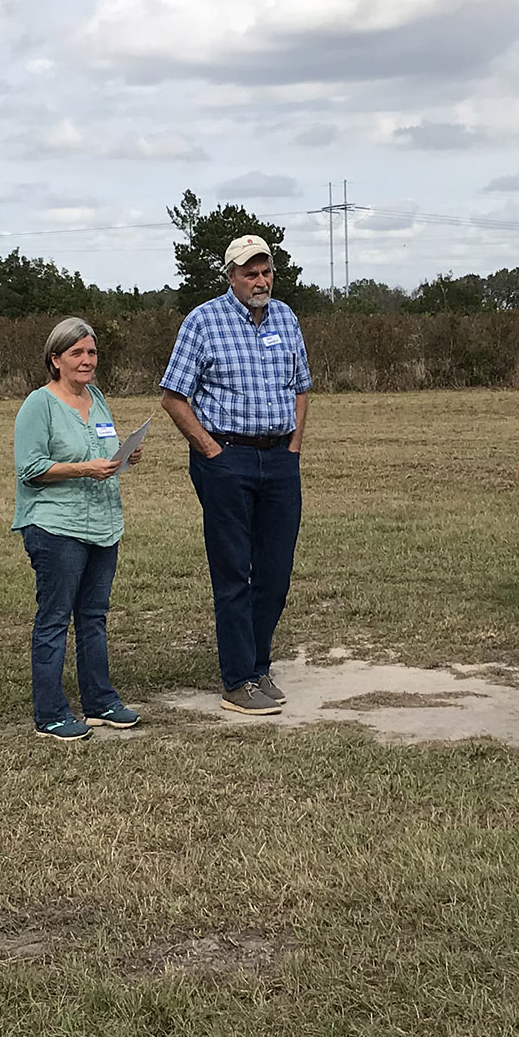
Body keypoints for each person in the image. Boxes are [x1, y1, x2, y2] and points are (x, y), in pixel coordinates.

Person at [159, 235, 311, 717]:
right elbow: (173, 397)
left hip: (279, 459)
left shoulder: (286, 318)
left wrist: (293, 447)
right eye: (250, 273)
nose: (260, 281)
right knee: (232, 572)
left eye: (266, 272)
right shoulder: (203, 321)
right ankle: (237, 680)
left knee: (275, 573)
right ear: (230, 276)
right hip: (227, 459)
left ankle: (258, 666)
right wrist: (210, 450)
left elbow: (300, 388)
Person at [13, 318, 146, 740]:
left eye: (91, 352)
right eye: (77, 353)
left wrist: (124, 455)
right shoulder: (39, 404)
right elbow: (30, 468)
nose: (87, 360)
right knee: (54, 619)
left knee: (93, 617)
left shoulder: (97, 398)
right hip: (56, 526)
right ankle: (50, 714)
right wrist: (84, 468)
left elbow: (103, 447)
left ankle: (100, 703)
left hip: (103, 525)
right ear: (56, 359)